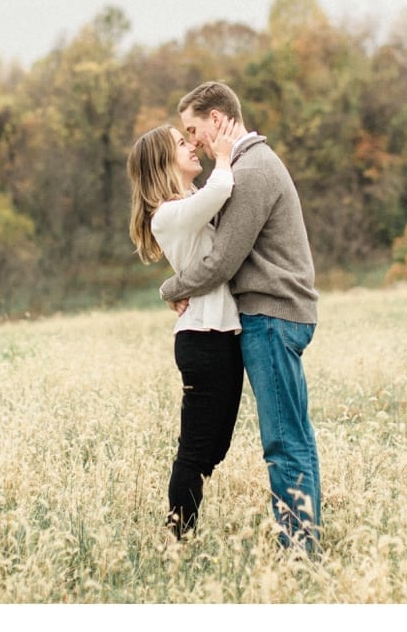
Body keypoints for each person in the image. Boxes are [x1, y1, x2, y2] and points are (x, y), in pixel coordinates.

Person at [159, 81, 321, 552]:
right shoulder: (251, 164)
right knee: (296, 436)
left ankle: (297, 550)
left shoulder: (251, 170)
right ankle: (305, 539)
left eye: (194, 128)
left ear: (217, 119)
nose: (194, 141)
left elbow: (222, 262)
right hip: (276, 314)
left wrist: (171, 288)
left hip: (270, 315)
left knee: (283, 442)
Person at [127, 116, 246, 539]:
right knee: (195, 453)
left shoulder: (187, 203)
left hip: (221, 337)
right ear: (164, 162)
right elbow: (221, 190)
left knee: (214, 449)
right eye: (182, 144)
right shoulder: (168, 214)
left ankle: (183, 530)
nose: (192, 145)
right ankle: (178, 538)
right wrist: (226, 156)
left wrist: (170, 287)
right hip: (202, 341)